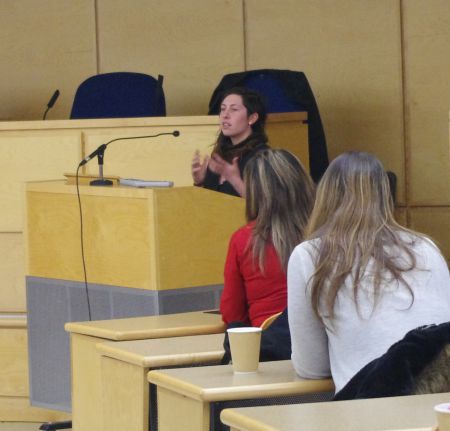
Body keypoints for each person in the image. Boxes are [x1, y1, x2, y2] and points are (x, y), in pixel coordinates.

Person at [287, 151, 450, 393]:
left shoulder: (309, 255)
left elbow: (311, 367)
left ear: (324, 197)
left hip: (375, 404)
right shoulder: (427, 247)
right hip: (441, 400)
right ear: (386, 195)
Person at [220, 149, 315, 327]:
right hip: (322, 346)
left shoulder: (243, 240)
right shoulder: (326, 235)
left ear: (255, 193)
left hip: (269, 348)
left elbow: (232, 314)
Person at [191, 87, 269, 197]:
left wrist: (235, 180)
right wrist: (199, 183)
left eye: (234, 109)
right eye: (223, 109)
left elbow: (266, 207)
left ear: (252, 118)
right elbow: (206, 206)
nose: (225, 115)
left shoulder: (263, 158)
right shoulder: (219, 156)